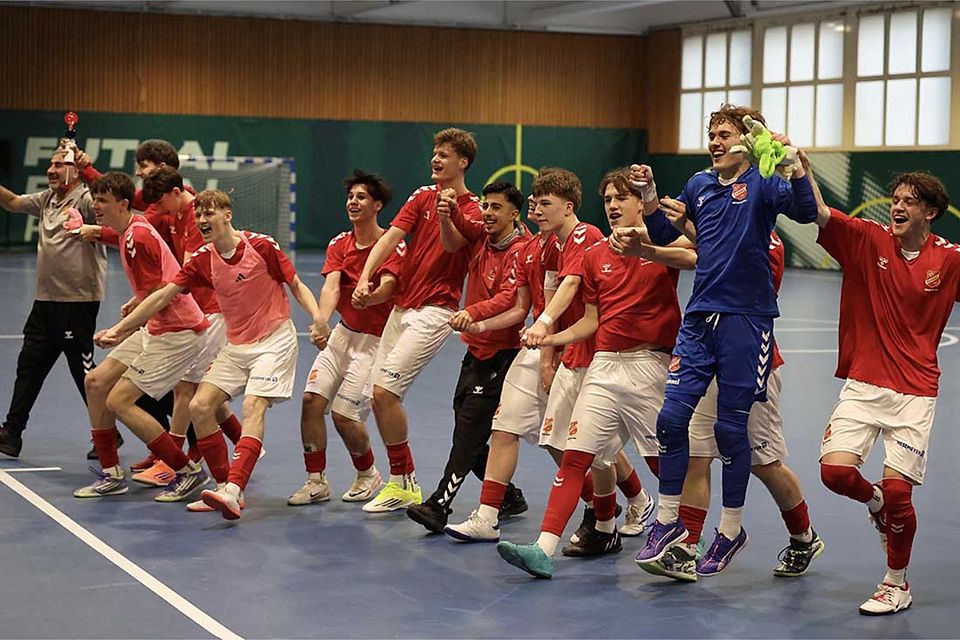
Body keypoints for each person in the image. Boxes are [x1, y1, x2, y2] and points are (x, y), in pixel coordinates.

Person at [630, 103, 819, 576]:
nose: (714, 140)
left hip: (748, 329)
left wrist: (791, 160)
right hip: (699, 323)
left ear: (748, 143)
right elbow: (672, 237)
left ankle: (746, 531)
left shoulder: (762, 185)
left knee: (751, 450)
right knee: (673, 423)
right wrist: (652, 201)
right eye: (710, 133)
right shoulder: (698, 185)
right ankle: (671, 527)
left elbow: (805, 208)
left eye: (724, 133)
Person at [496, 168, 693, 578]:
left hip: (649, 367)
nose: (614, 206)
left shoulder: (663, 243)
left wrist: (649, 249)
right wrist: (549, 336)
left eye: (623, 198)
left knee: (664, 464)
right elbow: (590, 320)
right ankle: (543, 548)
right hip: (603, 366)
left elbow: (694, 256)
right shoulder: (594, 254)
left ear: (642, 202)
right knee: (575, 458)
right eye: (607, 201)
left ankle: (689, 537)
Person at [96, 189, 323, 520]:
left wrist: (317, 318)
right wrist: (121, 329)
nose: (202, 220)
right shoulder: (203, 259)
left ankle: (234, 488)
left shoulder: (261, 246)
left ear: (227, 215)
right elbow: (162, 297)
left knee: (252, 405)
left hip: (273, 340)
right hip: (237, 344)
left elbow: (297, 285)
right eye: (199, 215)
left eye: (209, 214)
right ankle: (221, 487)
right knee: (200, 406)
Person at [642, 230, 824, 582]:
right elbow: (677, 246)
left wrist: (652, 250)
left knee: (765, 464)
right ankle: (687, 547)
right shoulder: (717, 224)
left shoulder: (766, 242)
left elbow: (703, 259)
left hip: (750, 363)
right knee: (697, 454)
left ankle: (803, 537)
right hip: (704, 357)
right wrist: (646, 245)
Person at [814, 171, 958, 615]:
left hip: (915, 392)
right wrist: (798, 166)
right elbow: (818, 213)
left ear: (930, 212)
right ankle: (874, 503)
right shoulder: (868, 240)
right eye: (894, 199)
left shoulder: (950, 260)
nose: (897, 207)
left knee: (900, 493)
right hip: (864, 382)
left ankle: (896, 582)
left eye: (909, 202)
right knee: (835, 475)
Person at [352, 128, 483, 513]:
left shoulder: (472, 209)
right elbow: (390, 237)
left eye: (444, 154)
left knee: (384, 394)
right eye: (434, 153)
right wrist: (365, 277)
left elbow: (452, 245)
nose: (435, 159)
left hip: (435, 311)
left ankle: (403, 481)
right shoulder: (420, 195)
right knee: (377, 395)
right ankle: (403, 482)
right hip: (401, 308)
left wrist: (448, 213)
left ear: (463, 163)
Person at [76, 172, 210, 500]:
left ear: (123, 205)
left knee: (119, 400)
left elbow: (162, 294)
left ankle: (186, 470)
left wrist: (120, 331)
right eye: (95, 200)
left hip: (179, 331)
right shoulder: (128, 233)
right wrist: (136, 301)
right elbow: (159, 285)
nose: (96, 207)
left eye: (103, 201)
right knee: (95, 383)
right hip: (157, 327)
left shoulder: (137, 237)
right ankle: (111, 474)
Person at [406, 181, 528, 532]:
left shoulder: (521, 250)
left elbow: (510, 298)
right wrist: (450, 208)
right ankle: (508, 495)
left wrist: (472, 312)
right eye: (485, 205)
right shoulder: (482, 237)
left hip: (502, 354)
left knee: (469, 430)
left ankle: (439, 505)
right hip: (476, 349)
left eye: (496, 207)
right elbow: (463, 224)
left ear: (514, 214)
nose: (487, 213)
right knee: (467, 426)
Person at [288, 170, 402, 506]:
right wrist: (321, 320)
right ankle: (316, 482)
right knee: (311, 402)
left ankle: (368, 474)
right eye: (351, 197)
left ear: (377, 205)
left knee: (344, 416)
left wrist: (372, 297)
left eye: (361, 197)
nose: (353, 202)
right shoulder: (340, 243)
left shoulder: (392, 244)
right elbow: (332, 286)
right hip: (343, 335)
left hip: (376, 342)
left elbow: (390, 287)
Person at [0, 143, 109, 458]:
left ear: (75, 170)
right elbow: (12, 202)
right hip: (45, 301)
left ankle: (107, 436)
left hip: (77, 302)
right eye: (51, 164)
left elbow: (112, 212)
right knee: (29, 365)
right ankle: (12, 433)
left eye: (60, 164)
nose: (51, 169)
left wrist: (91, 172)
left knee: (84, 374)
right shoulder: (47, 199)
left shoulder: (88, 199)